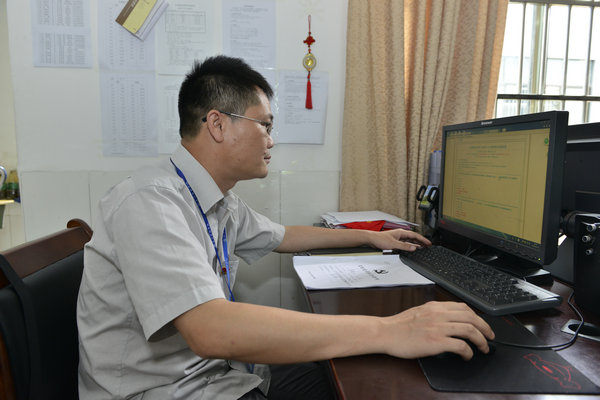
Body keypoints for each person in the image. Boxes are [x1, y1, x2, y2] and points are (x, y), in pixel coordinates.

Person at [76, 55, 494, 399]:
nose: (271, 140)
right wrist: (391, 329)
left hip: (219, 376)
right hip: (167, 391)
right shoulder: (150, 202)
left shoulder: (216, 199)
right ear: (217, 124)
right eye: (265, 125)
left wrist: (371, 236)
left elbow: (283, 236)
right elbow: (210, 330)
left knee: (348, 376)